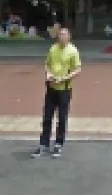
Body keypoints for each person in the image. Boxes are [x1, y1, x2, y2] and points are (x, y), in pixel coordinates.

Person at [32, 27, 81, 158]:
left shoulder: (73, 51)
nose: (61, 37)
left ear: (69, 37)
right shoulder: (53, 48)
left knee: (62, 118)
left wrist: (64, 78)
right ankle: (44, 143)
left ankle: (59, 143)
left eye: (64, 35)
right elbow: (47, 64)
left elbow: (77, 69)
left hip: (64, 89)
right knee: (47, 117)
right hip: (51, 87)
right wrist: (48, 73)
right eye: (60, 35)